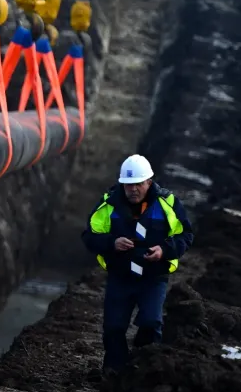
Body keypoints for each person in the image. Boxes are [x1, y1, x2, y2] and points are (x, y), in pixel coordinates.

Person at [81, 154, 194, 371]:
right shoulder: (108, 205)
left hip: (154, 278)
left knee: (151, 323)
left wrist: (164, 250)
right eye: (128, 185)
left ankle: (144, 368)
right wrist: (112, 243)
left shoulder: (167, 203)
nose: (133, 189)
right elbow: (89, 237)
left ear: (149, 182)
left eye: (138, 184)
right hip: (120, 276)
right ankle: (114, 373)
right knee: (113, 328)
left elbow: (185, 235)